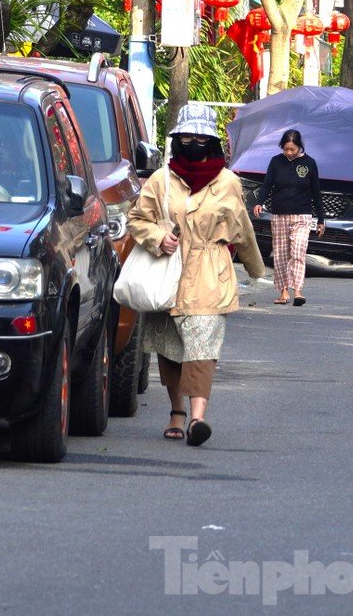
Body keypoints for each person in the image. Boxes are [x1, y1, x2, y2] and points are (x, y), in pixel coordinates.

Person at [128, 102, 266, 448]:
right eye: (186, 135)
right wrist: (159, 237)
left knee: (202, 348)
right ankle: (176, 411)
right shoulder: (160, 181)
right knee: (171, 349)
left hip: (210, 275)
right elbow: (136, 220)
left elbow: (242, 228)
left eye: (200, 136)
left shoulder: (229, 182)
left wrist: (254, 267)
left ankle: (198, 418)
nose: (192, 141)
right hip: (167, 274)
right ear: (177, 138)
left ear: (212, 141)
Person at [254, 128, 325, 306]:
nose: (289, 152)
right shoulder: (276, 162)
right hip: (279, 215)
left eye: (292, 149)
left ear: (300, 147)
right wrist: (259, 202)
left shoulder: (309, 163)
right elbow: (267, 184)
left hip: (302, 215)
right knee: (280, 255)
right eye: (286, 149)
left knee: (298, 251)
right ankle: (283, 291)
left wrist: (321, 219)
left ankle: (298, 291)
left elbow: (316, 192)